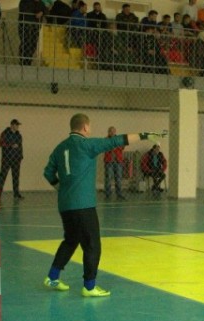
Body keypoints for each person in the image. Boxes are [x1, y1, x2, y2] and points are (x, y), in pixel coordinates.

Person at [42, 113, 159, 296]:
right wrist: (144, 135)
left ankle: (52, 277)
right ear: (85, 127)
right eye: (90, 126)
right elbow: (116, 141)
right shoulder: (88, 145)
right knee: (92, 245)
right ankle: (89, 286)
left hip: (65, 205)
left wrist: (62, 188)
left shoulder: (60, 148)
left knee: (71, 240)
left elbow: (48, 173)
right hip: (83, 205)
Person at [0, 119, 24, 200]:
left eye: (18, 125)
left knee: (16, 177)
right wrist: (11, 145)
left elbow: (20, 146)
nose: (17, 127)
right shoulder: (5, 133)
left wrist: (20, 156)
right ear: (12, 125)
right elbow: (1, 144)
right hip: (7, 158)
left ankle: (16, 193)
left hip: (16, 159)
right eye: (16, 125)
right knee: (3, 176)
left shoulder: (18, 135)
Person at [18, 0, 46, 65]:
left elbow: (46, 10)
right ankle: (23, 60)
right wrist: (36, 12)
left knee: (33, 44)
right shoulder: (24, 1)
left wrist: (42, 12)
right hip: (25, 26)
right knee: (25, 43)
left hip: (35, 27)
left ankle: (28, 60)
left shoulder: (41, 3)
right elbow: (24, 11)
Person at [103, 126, 126, 200]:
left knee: (118, 178)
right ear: (108, 132)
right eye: (110, 131)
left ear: (115, 132)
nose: (112, 132)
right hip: (109, 161)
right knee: (108, 178)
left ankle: (119, 194)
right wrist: (111, 147)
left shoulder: (119, 139)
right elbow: (104, 148)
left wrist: (115, 146)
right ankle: (108, 194)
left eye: (113, 131)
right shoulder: (106, 139)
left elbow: (122, 147)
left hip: (118, 161)